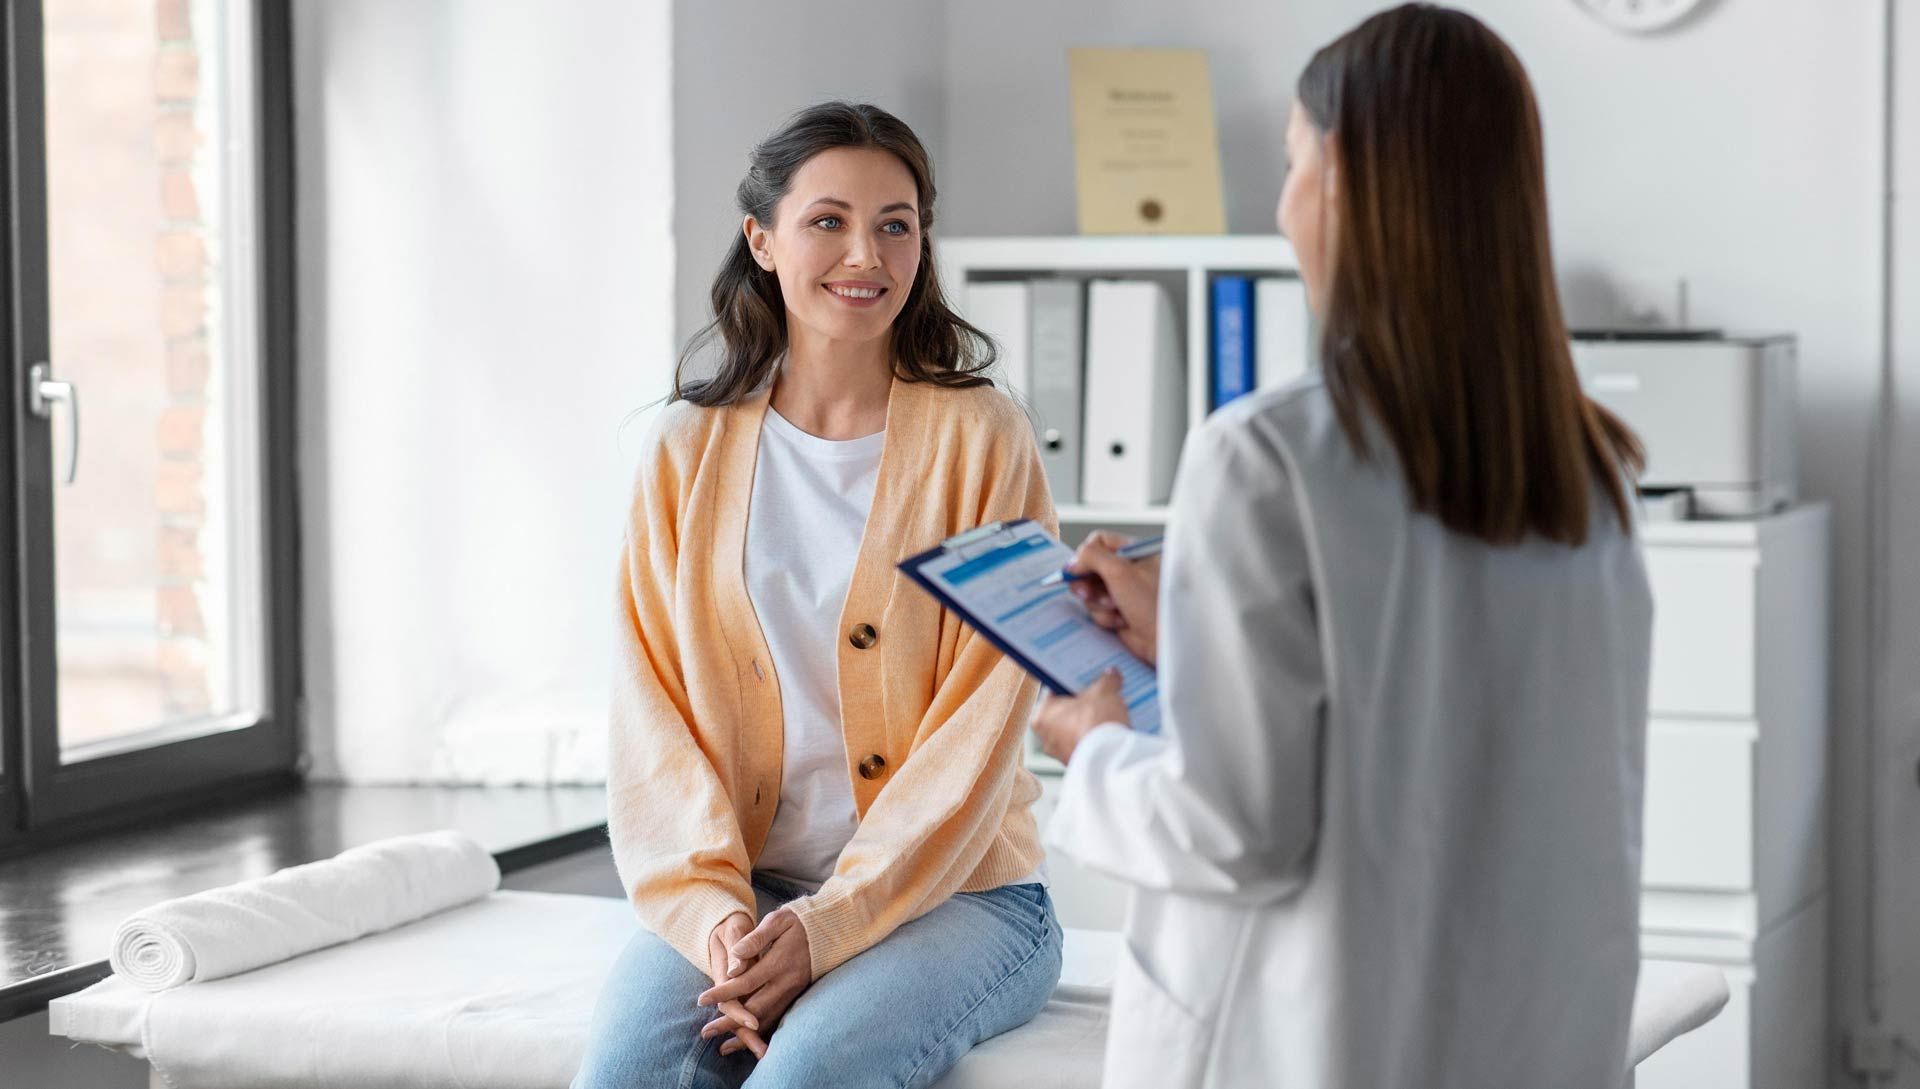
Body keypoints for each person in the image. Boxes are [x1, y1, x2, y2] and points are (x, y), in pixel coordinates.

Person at [1030, 7, 1655, 1088]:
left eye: (1290, 163)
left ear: (1348, 177)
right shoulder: (1587, 472)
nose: (1282, 208)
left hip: (1318, 1044)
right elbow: (1433, 718)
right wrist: (1192, 644)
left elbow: (1235, 831)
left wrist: (1092, 747)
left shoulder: (1264, 455)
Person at [573, 101, 1062, 1089]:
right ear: (761, 239)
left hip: (962, 898)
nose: (866, 253)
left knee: (808, 1075)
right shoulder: (683, 450)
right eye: (828, 220)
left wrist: (831, 926)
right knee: (628, 1073)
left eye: (896, 223)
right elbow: (649, 714)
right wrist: (722, 927)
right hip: (740, 894)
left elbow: (987, 720)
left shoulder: (985, 439)